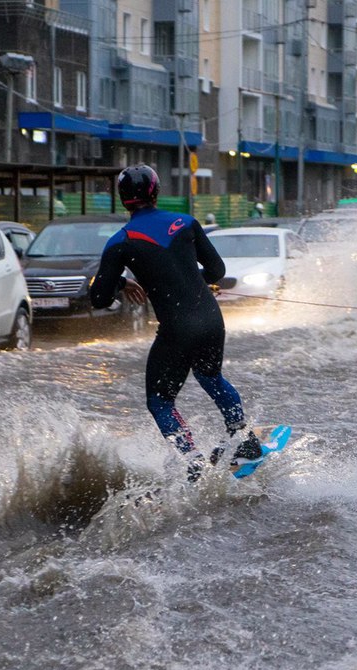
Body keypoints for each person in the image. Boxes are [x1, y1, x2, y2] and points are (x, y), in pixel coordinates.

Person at [90, 164, 262, 482]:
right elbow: (216, 270)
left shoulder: (120, 242)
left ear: (122, 198)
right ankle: (246, 440)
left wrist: (122, 283)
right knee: (211, 377)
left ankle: (192, 459)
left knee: (160, 400)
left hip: (177, 329)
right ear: (156, 191)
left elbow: (98, 298)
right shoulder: (186, 223)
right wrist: (188, 280)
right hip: (211, 318)